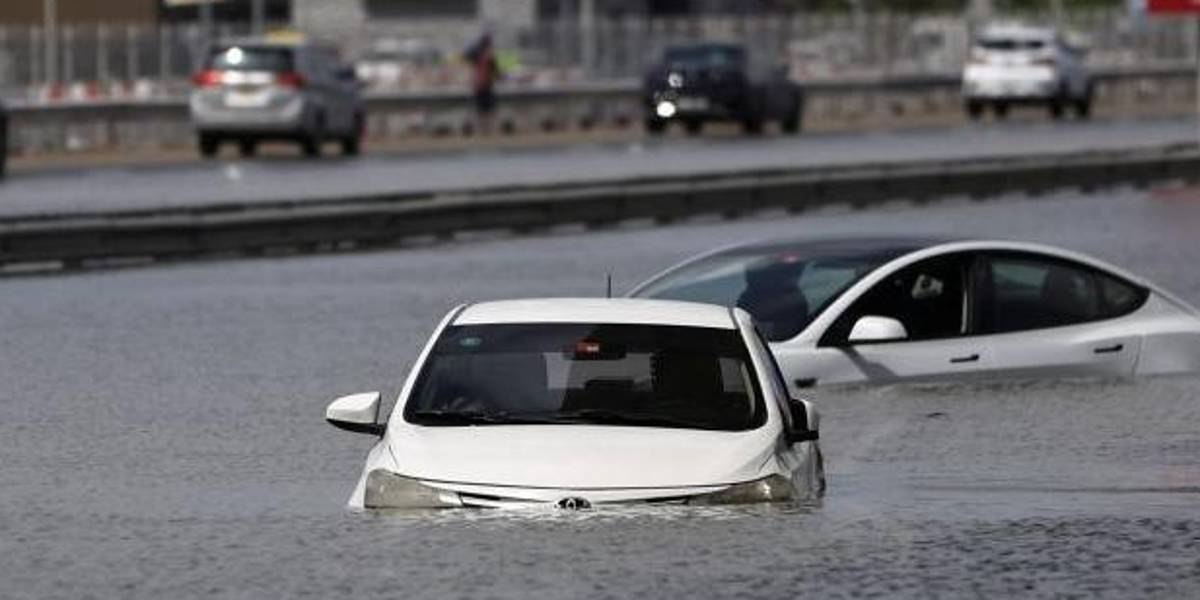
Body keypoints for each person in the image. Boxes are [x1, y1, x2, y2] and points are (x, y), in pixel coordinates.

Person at [465, 33, 500, 134]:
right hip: (486, 85)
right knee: (489, 109)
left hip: (478, 85)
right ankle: (487, 130)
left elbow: (467, 55)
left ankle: (483, 130)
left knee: (481, 109)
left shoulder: (476, 55)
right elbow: (497, 72)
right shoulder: (489, 56)